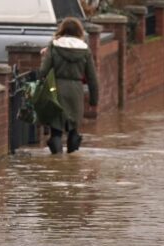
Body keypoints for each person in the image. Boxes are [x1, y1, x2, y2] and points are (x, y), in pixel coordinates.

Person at [39, 17, 99, 155]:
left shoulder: (54, 46)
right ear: (79, 31)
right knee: (73, 128)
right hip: (76, 91)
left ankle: (57, 161)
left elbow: (43, 71)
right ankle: (72, 163)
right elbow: (92, 78)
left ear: (62, 29)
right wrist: (93, 100)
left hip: (56, 89)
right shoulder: (85, 50)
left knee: (56, 128)